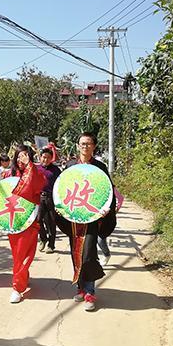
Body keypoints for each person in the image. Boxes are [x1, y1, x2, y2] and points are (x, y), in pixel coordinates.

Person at [55, 132, 116, 312]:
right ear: (78, 146)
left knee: (88, 254)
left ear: (94, 146)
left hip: (91, 218)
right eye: (82, 143)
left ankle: (90, 292)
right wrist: (59, 206)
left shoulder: (99, 167)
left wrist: (106, 209)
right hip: (74, 218)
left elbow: (107, 191)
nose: (85, 146)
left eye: (88, 143)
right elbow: (62, 189)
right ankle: (80, 288)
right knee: (76, 253)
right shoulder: (70, 166)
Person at [2, 145, 46, 303]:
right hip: (13, 220)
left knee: (25, 254)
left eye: (25, 156)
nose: (22, 159)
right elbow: (0, 194)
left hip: (29, 220)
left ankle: (17, 287)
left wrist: (29, 166)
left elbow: (34, 187)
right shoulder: (9, 174)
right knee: (17, 255)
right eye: (19, 156)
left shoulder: (36, 173)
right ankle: (22, 277)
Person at [37, 148, 61, 254]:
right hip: (39, 198)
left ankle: (51, 245)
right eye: (44, 157)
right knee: (37, 220)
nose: (45, 159)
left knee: (51, 222)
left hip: (51, 198)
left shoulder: (56, 170)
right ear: (40, 157)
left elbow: (60, 184)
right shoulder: (36, 169)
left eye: (48, 158)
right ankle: (43, 238)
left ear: (51, 159)